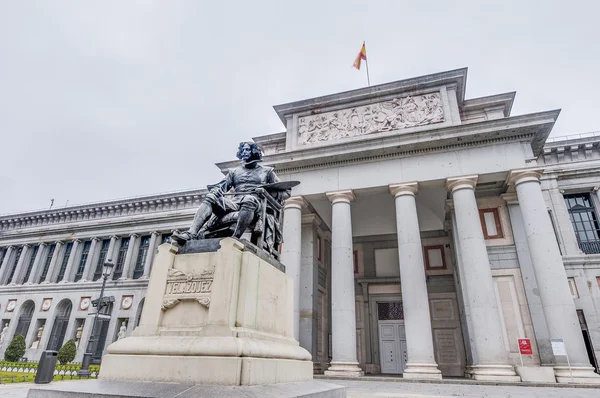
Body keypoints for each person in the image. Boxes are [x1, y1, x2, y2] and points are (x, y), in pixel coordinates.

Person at [172, 142, 289, 246]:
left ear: (254, 152)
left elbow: (286, 192)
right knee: (211, 197)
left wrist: (268, 193)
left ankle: (235, 237)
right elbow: (221, 186)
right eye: (242, 150)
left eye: (247, 149)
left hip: (256, 204)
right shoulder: (234, 172)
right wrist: (216, 191)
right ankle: (191, 233)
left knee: (248, 199)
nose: (244, 152)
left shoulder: (267, 171)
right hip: (234, 203)